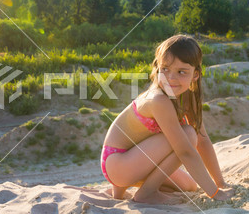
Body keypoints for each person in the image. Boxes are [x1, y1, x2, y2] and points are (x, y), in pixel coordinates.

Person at [100, 34, 235, 204]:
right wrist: (215, 194)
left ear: (195, 75)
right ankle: (146, 194)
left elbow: (203, 141)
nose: (171, 78)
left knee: (190, 186)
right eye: (165, 69)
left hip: (137, 162)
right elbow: (185, 151)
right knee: (188, 135)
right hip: (118, 164)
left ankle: (139, 188)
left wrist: (220, 183)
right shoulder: (158, 100)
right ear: (157, 68)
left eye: (181, 72)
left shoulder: (187, 96)